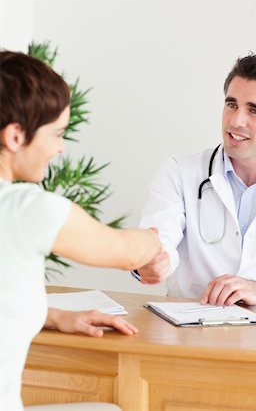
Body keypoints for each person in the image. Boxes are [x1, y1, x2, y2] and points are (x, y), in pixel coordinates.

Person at [0, 51, 162, 411]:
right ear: (14, 136)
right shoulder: (25, 208)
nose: (60, 147)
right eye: (56, 133)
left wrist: (54, 315)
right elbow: (127, 252)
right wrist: (154, 238)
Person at [135, 52, 256, 306]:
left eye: (254, 110)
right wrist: (151, 260)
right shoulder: (180, 172)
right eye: (231, 104)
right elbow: (158, 239)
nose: (236, 121)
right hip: (191, 335)